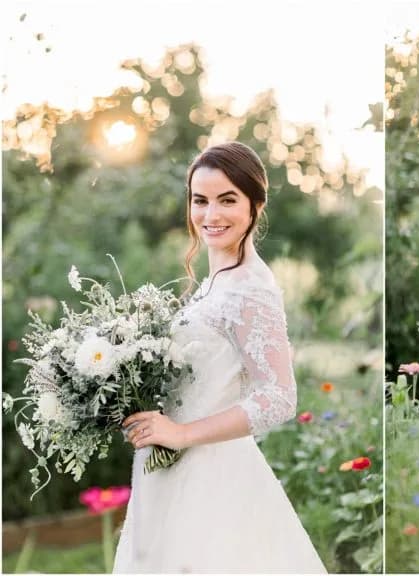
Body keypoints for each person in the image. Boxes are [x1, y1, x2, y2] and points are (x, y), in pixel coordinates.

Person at [113, 141, 326, 573]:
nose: (211, 215)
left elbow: (279, 396)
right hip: (169, 471)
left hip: (212, 480)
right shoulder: (215, 283)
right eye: (200, 200)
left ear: (255, 205)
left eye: (227, 200)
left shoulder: (251, 289)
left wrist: (183, 433)